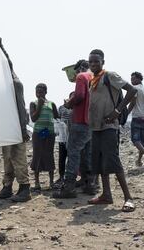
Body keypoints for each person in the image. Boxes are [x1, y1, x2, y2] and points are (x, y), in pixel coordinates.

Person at [87, 49, 137, 212]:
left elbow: (132, 90)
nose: (93, 64)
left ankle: (128, 198)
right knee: (100, 162)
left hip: (109, 126)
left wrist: (117, 110)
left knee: (113, 161)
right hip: (96, 127)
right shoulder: (92, 80)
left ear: (103, 62)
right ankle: (106, 195)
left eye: (96, 61)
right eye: (91, 61)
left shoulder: (110, 75)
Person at [0, 36, 31, 202]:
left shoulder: (14, 82)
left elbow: (21, 108)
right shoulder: (3, 84)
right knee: (8, 159)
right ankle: (7, 187)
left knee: (18, 158)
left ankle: (24, 188)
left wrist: (1, 47)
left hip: (16, 125)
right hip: (7, 126)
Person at [53, 59, 96, 198]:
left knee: (73, 153)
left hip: (80, 121)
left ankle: (69, 187)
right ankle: (89, 184)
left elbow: (79, 96)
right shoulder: (95, 77)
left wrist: (68, 104)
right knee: (87, 154)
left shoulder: (82, 76)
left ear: (81, 68)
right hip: (92, 122)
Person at [30, 83, 59, 191]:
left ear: (46, 92)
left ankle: (51, 182)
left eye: (41, 92)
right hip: (38, 133)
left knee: (49, 155)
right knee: (37, 155)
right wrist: (39, 106)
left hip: (49, 132)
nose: (38, 94)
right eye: (37, 92)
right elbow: (33, 119)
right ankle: (37, 183)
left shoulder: (52, 104)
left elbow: (57, 116)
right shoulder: (33, 103)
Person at [127, 72, 144, 169]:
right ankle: (139, 160)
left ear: (139, 79)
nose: (131, 81)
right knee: (143, 141)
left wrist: (126, 113)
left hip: (137, 118)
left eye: (133, 79)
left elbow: (132, 103)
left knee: (135, 140)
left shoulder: (135, 89)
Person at [53, 92, 74, 188]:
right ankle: (61, 176)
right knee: (62, 157)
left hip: (73, 137)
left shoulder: (77, 107)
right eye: (71, 97)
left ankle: (71, 177)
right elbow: (57, 118)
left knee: (72, 158)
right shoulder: (62, 107)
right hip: (63, 137)